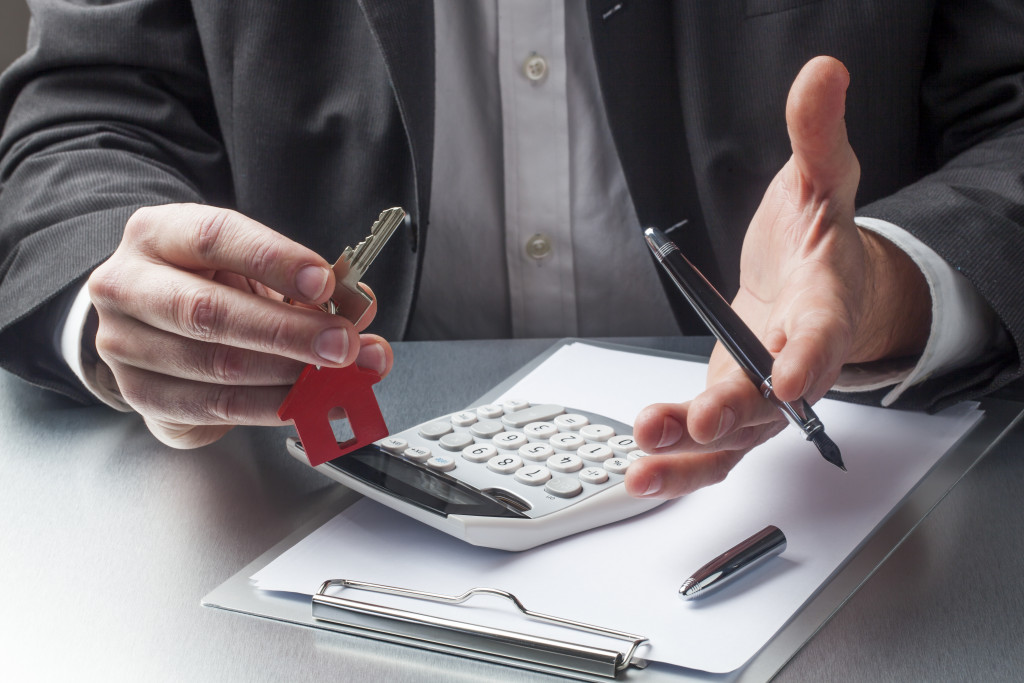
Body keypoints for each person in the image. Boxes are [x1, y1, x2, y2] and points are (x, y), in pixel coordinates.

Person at [0, 2, 1021, 500]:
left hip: (849, 510)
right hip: (283, 512)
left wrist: (888, 281)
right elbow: (86, 111)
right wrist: (128, 308)